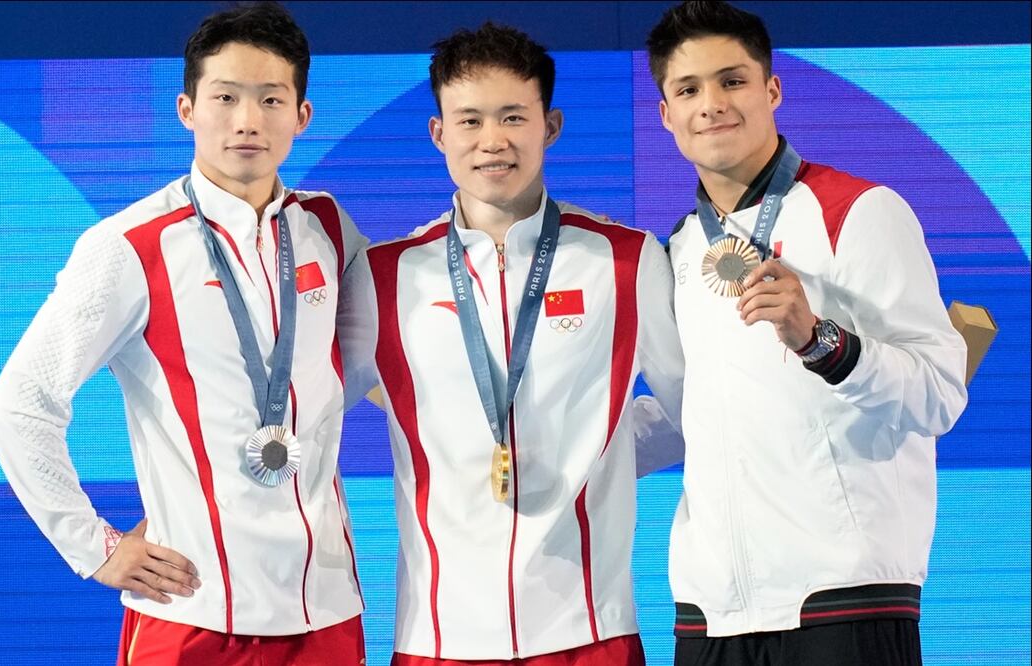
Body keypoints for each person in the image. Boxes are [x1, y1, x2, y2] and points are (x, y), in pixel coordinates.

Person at [0, 2, 366, 663]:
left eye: (271, 99)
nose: (247, 120)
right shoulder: (128, 247)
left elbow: (370, 367)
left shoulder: (327, 227)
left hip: (326, 612)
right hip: (192, 614)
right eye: (225, 97)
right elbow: (21, 405)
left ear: (302, 117)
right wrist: (94, 547)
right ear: (187, 109)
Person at [338, 22, 685, 666]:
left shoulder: (626, 260)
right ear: (439, 133)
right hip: (438, 637)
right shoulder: (386, 275)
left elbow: (699, 413)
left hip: (588, 630)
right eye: (469, 121)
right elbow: (301, 409)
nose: (491, 141)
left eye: (512, 117)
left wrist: (599, 444)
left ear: (549, 126)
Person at [640, 2, 969, 664]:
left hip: (843, 599)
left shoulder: (859, 211)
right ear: (667, 114)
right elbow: (691, 413)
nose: (712, 104)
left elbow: (940, 393)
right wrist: (555, 450)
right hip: (713, 613)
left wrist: (821, 340)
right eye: (689, 89)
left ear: (772, 90)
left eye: (732, 81)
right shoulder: (673, 252)